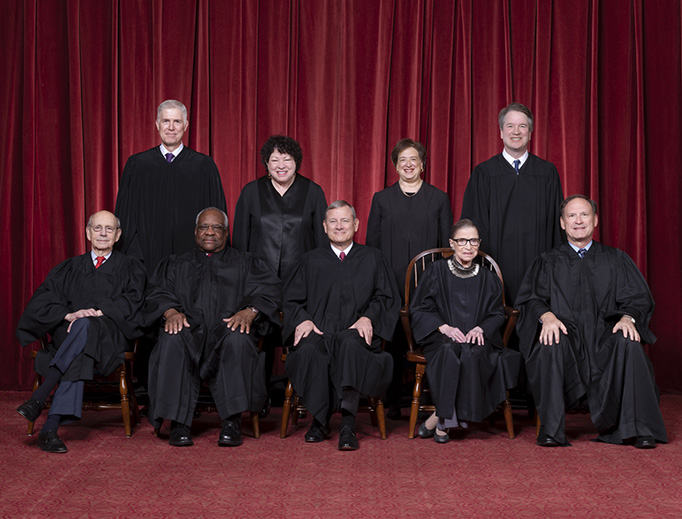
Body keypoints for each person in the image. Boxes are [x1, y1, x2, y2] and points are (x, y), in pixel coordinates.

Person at [515, 195, 667, 448]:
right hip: (567, 336)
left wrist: (628, 318)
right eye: (571, 216)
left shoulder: (615, 259)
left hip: (605, 336)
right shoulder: (547, 261)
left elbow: (638, 298)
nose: (578, 221)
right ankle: (551, 430)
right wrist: (547, 316)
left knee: (628, 342)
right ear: (562, 223)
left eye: (584, 215)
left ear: (595, 220)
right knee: (550, 342)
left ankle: (641, 429)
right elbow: (531, 298)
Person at [144, 208, 281, 447]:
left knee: (238, 338)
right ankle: (178, 422)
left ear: (226, 233)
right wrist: (171, 312)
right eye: (204, 227)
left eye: (216, 227)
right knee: (172, 338)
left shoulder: (247, 263)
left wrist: (251, 311)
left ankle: (232, 420)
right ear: (195, 232)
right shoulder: (175, 264)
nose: (209, 232)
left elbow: (270, 292)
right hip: (188, 331)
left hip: (227, 329)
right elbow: (157, 293)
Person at [16, 211, 146, 453]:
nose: (103, 233)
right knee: (81, 335)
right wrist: (69, 315)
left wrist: (97, 312)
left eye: (109, 229)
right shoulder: (69, 267)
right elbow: (41, 302)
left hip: (109, 337)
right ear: (88, 233)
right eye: (97, 228)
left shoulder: (131, 267)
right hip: (70, 334)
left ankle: (41, 398)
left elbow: (134, 304)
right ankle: (49, 430)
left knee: (86, 327)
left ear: (117, 235)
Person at [283, 201, 400, 450]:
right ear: (324, 227)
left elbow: (387, 297)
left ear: (356, 225)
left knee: (349, 344)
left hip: (356, 334)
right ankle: (320, 420)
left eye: (345, 220)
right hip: (320, 331)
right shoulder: (309, 261)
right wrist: (303, 319)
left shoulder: (373, 258)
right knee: (308, 350)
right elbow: (291, 299)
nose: (339, 226)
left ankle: (348, 423)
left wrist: (369, 317)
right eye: (333, 221)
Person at [232, 135, 328, 406]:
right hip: (259, 282)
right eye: (274, 160)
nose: (281, 165)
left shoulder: (313, 192)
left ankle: (305, 392)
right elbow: (239, 241)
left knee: (304, 334)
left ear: (297, 162)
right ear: (266, 163)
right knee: (254, 333)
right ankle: (256, 398)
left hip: (301, 282)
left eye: (287, 159)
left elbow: (322, 243)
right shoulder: (251, 192)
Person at [410, 219, 520, 443]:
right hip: (441, 336)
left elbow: (498, 313)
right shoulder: (436, 271)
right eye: (463, 240)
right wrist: (444, 327)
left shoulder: (488, 278)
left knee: (474, 354)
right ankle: (444, 423)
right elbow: (419, 307)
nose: (469, 246)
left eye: (474, 240)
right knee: (449, 352)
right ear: (452, 243)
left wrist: (482, 328)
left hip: (476, 338)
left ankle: (437, 419)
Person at [366, 138, 453, 418]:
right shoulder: (381, 199)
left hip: (428, 287)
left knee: (429, 339)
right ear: (395, 165)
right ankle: (391, 401)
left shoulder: (439, 199)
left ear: (423, 165)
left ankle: (435, 400)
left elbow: (446, 248)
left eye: (414, 159)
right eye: (402, 159)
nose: (408, 164)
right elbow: (372, 246)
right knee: (391, 342)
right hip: (390, 284)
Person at [461, 102, 564, 306]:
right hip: (495, 268)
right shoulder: (484, 173)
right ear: (501, 132)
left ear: (530, 132)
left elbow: (556, 226)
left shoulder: (547, 173)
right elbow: (473, 225)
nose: (516, 132)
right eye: (510, 126)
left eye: (522, 126)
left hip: (538, 267)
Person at [114, 99, 227, 273]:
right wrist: (134, 257)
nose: (171, 127)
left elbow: (217, 217)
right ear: (157, 124)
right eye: (166, 121)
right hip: (146, 259)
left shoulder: (204, 166)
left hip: (193, 262)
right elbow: (125, 217)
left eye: (177, 121)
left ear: (186, 125)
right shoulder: (137, 165)